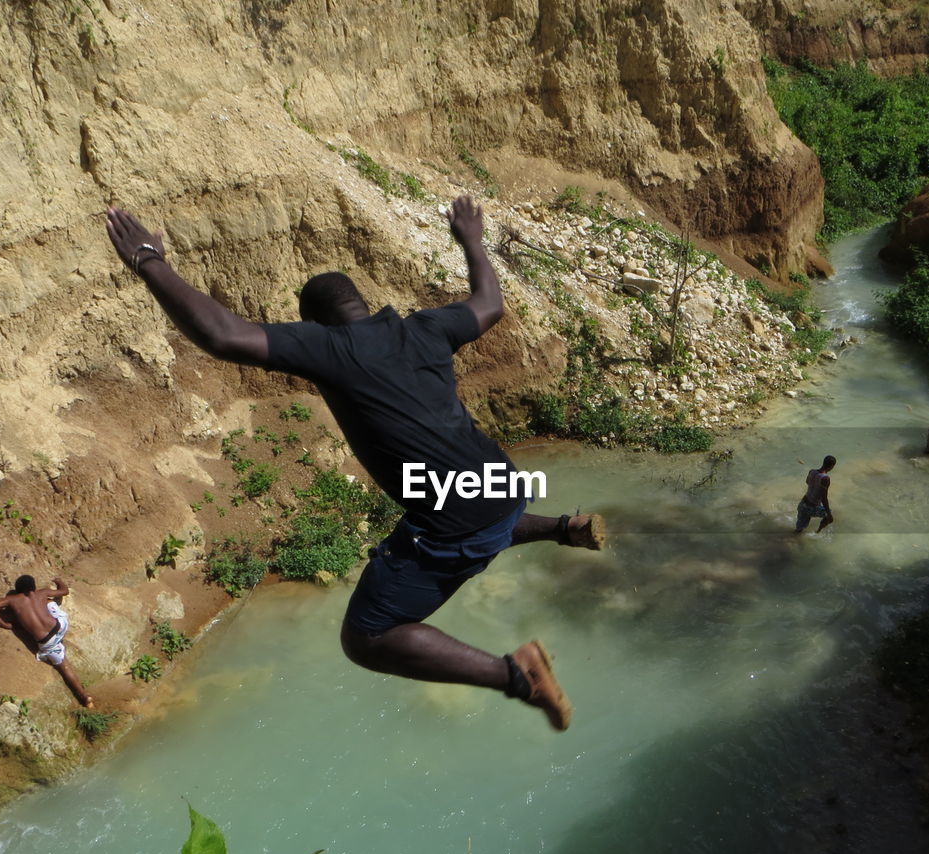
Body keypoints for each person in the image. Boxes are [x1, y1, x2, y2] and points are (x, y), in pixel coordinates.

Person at [105, 195, 603, 732]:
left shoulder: (328, 347)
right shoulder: (424, 328)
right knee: (452, 514)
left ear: (315, 323)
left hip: (461, 512)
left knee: (368, 636)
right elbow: (488, 304)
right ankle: (564, 528)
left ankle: (516, 675)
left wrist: (148, 259)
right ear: (362, 304)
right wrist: (472, 241)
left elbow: (221, 334)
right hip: (502, 480)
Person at [0, 575, 94, 707]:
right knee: (48, 602)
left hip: (47, 641)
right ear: (33, 587)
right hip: (60, 626)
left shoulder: (11, 600)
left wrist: (5, 625)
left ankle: (84, 696)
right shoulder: (42, 593)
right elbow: (64, 591)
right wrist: (59, 581)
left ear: (17, 589)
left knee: (64, 667)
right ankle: (84, 695)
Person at [794, 456, 835, 534]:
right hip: (812, 507)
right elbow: (824, 498)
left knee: (798, 531)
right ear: (832, 466)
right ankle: (818, 532)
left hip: (802, 504)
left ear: (823, 462)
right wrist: (829, 514)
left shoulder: (812, 471)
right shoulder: (825, 478)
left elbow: (807, 482)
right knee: (829, 518)